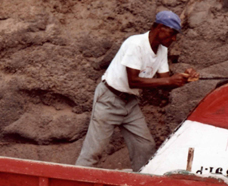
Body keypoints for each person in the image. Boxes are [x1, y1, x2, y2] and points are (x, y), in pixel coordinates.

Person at [75, 10, 199, 171]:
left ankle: (140, 185)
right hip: (110, 99)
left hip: (130, 103)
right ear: (160, 27)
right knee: (93, 152)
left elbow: (165, 82)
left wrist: (184, 78)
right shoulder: (135, 44)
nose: (174, 38)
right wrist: (169, 79)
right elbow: (132, 81)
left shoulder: (162, 50)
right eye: (172, 33)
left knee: (145, 148)